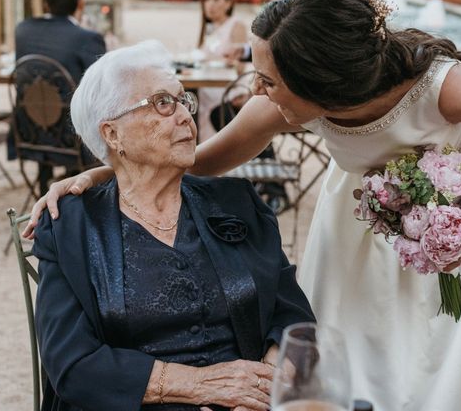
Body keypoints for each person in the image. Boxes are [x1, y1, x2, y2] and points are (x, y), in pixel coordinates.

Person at [24, 0, 461, 410]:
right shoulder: (280, 106)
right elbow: (196, 160)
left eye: (269, 81)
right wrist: (106, 172)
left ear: (320, 87)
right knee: (358, 347)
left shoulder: (442, 89)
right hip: (364, 225)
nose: (257, 89)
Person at [31, 40, 315, 411]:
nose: (185, 115)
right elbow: (72, 363)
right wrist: (199, 385)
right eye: (163, 103)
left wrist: (263, 388)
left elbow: (292, 317)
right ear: (112, 134)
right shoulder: (70, 227)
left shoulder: (236, 203)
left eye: (184, 101)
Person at [12, 0, 106, 193]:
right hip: (71, 137)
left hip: (29, 131)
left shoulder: (23, 30)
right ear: (81, 1)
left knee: (49, 100)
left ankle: (45, 176)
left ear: (45, 2)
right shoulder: (86, 37)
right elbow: (100, 85)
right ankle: (77, 180)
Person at [196, 0, 248, 141]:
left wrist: (220, 61)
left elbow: (240, 67)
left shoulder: (236, 25)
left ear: (229, 3)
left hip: (227, 91)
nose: (210, 4)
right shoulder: (209, 29)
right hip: (206, 89)